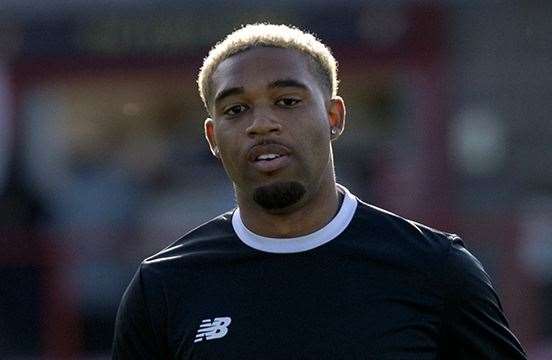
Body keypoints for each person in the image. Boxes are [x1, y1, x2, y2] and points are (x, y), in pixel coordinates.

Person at [112, 23, 527, 359]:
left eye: (287, 101)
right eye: (236, 110)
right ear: (213, 138)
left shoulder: (436, 269)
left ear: (334, 116)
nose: (262, 124)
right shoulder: (164, 287)